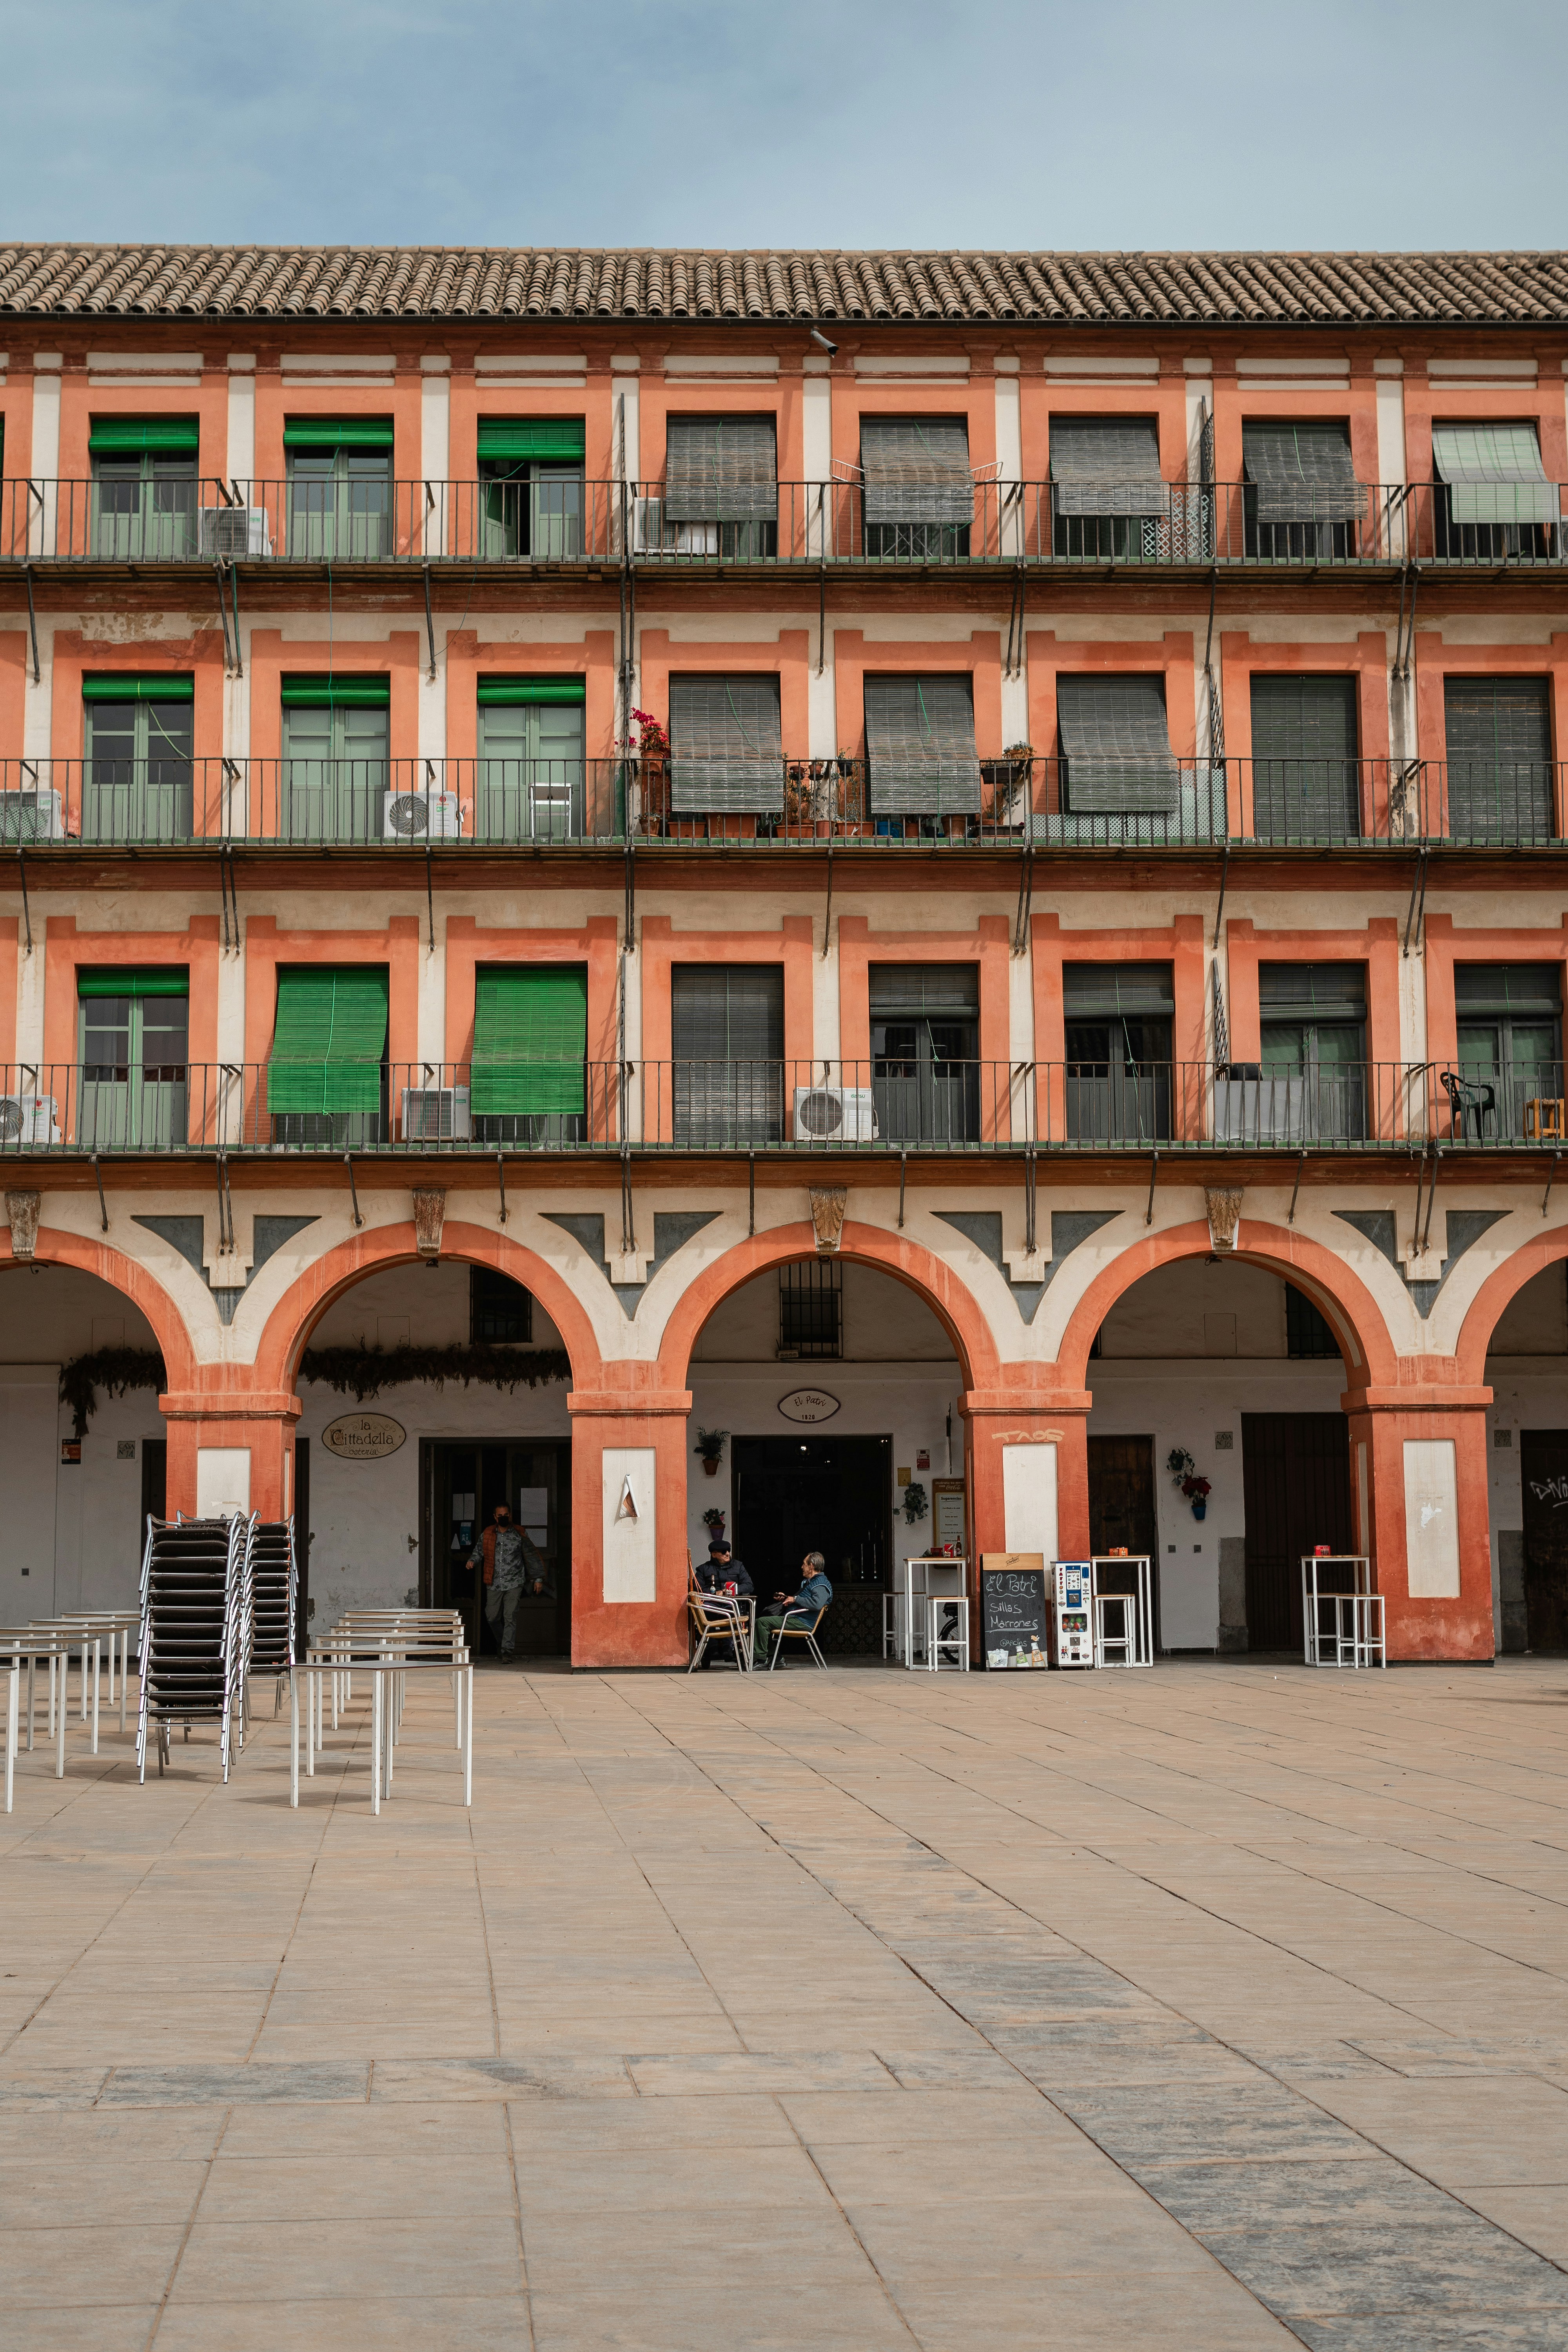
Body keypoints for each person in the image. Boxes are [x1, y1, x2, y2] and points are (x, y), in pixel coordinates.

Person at [468, 1503, 546, 1661]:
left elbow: (531, 1555)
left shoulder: (519, 1533)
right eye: (500, 1516)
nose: (503, 1518)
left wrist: (538, 1579)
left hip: (514, 1582)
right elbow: (479, 1551)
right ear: (495, 1518)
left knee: (510, 1616)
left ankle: (506, 1652)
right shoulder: (488, 1533)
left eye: (506, 1515)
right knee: (491, 1617)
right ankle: (502, 1641)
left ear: (510, 1516)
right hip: (494, 1582)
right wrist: (472, 1561)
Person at [752, 1552, 832, 1670]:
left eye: (804, 1564)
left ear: (811, 1566)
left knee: (762, 1623)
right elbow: (802, 1600)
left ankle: (762, 1659)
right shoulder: (812, 1582)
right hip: (795, 1618)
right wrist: (787, 1598)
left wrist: (795, 1599)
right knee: (759, 1622)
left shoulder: (820, 1584)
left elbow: (817, 1604)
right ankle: (776, 1658)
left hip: (802, 1622)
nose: (802, 1567)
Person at [695, 1536, 753, 1669]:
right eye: (723, 1552)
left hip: (731, 1604)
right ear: (714, 1554)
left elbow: (749, 1586)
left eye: (728, 1550)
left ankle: (728, 1647)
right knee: (706, 1611)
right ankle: (712, 1646)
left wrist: (732, 1590)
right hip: (712, 1605)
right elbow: (697, 1588)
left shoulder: (738, 1566)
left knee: (732, 1612)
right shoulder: (703, 1569)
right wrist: (715, 1594)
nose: (727, 1554)